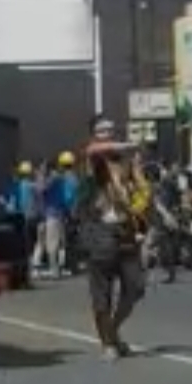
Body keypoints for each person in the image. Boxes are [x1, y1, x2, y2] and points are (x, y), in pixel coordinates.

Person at [77, 120, 151, 361]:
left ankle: (114, 330)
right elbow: (92, 151)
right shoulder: (94, 160)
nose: (106, 134)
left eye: (110, 130)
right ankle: (108, 343)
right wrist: (127, 144)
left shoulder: (125, 161)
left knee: (136, 286)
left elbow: (142, 189)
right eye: (101, 131)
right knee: (102, 293)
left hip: (125, 230)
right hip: (99, 231)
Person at [4, 161, 41, 277]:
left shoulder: (14, 186)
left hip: (18, 219)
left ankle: (20, 272)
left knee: (20, 247)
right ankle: (28, 270)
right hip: (32, 218)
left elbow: (9, 203)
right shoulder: (33, 186)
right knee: (31, 245)